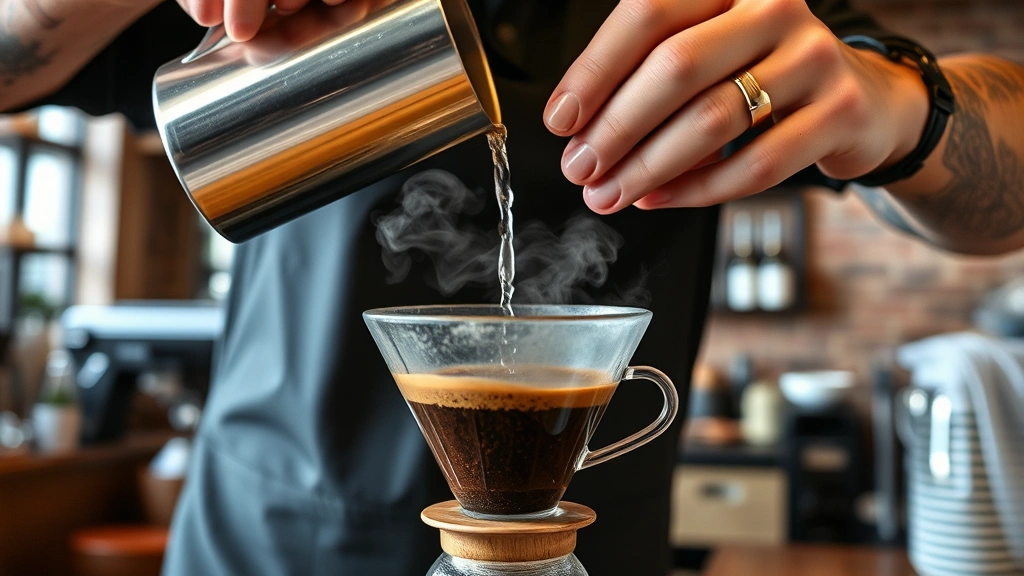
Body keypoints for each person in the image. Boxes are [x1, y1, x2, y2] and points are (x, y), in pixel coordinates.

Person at [2, 0, 1022, 574]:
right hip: (268, 545)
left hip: (589, 554)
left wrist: (893, 104)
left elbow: (1001, 187)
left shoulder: (717, 8)